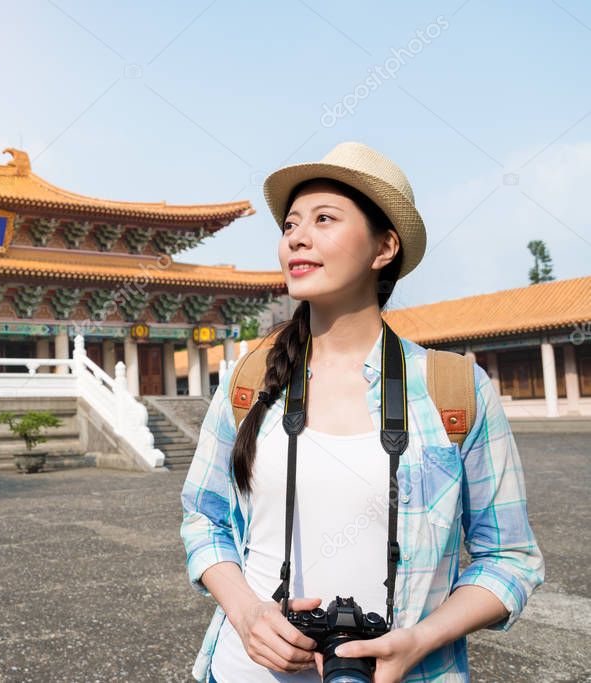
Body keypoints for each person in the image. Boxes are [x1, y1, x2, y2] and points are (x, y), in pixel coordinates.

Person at [180, 142, 545, 683]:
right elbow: (204, 518)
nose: (297, 237)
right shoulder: (249, 381)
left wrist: (421, 638)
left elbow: (511, 557)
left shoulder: (453, 390)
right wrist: (247, 611)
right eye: (290, 225)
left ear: (384, 247)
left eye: (324, 219)